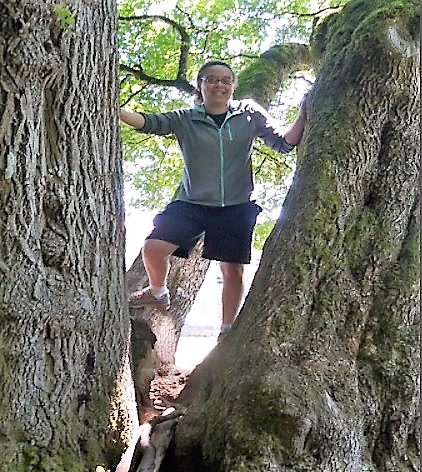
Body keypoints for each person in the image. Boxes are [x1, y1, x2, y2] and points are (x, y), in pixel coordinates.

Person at [120, 60, 307, 339]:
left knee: (232, 271)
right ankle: (158, 292)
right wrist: (113, 105)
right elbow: (148, 122)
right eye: (212, 79)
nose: (220, 84)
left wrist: (304, 111)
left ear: (233, 86)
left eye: (226, 80)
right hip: (191, 203)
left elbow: (285, 142)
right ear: (201, 85)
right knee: (153, 249)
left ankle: (226, 331)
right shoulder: (186, 118)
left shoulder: (249, 114)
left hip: (236, 206)